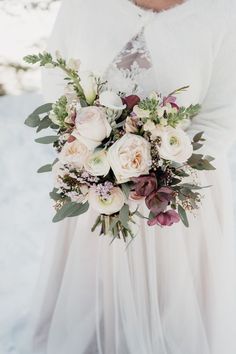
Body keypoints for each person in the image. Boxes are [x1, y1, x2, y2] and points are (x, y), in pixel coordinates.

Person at [27, 0, 236, 353]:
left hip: (174, 202)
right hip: (95, 187)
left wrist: (163, 174)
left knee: (171, 317)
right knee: (90, 311)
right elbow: (56, 79)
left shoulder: (222, 12)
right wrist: (92, 153)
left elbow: (220, 117)